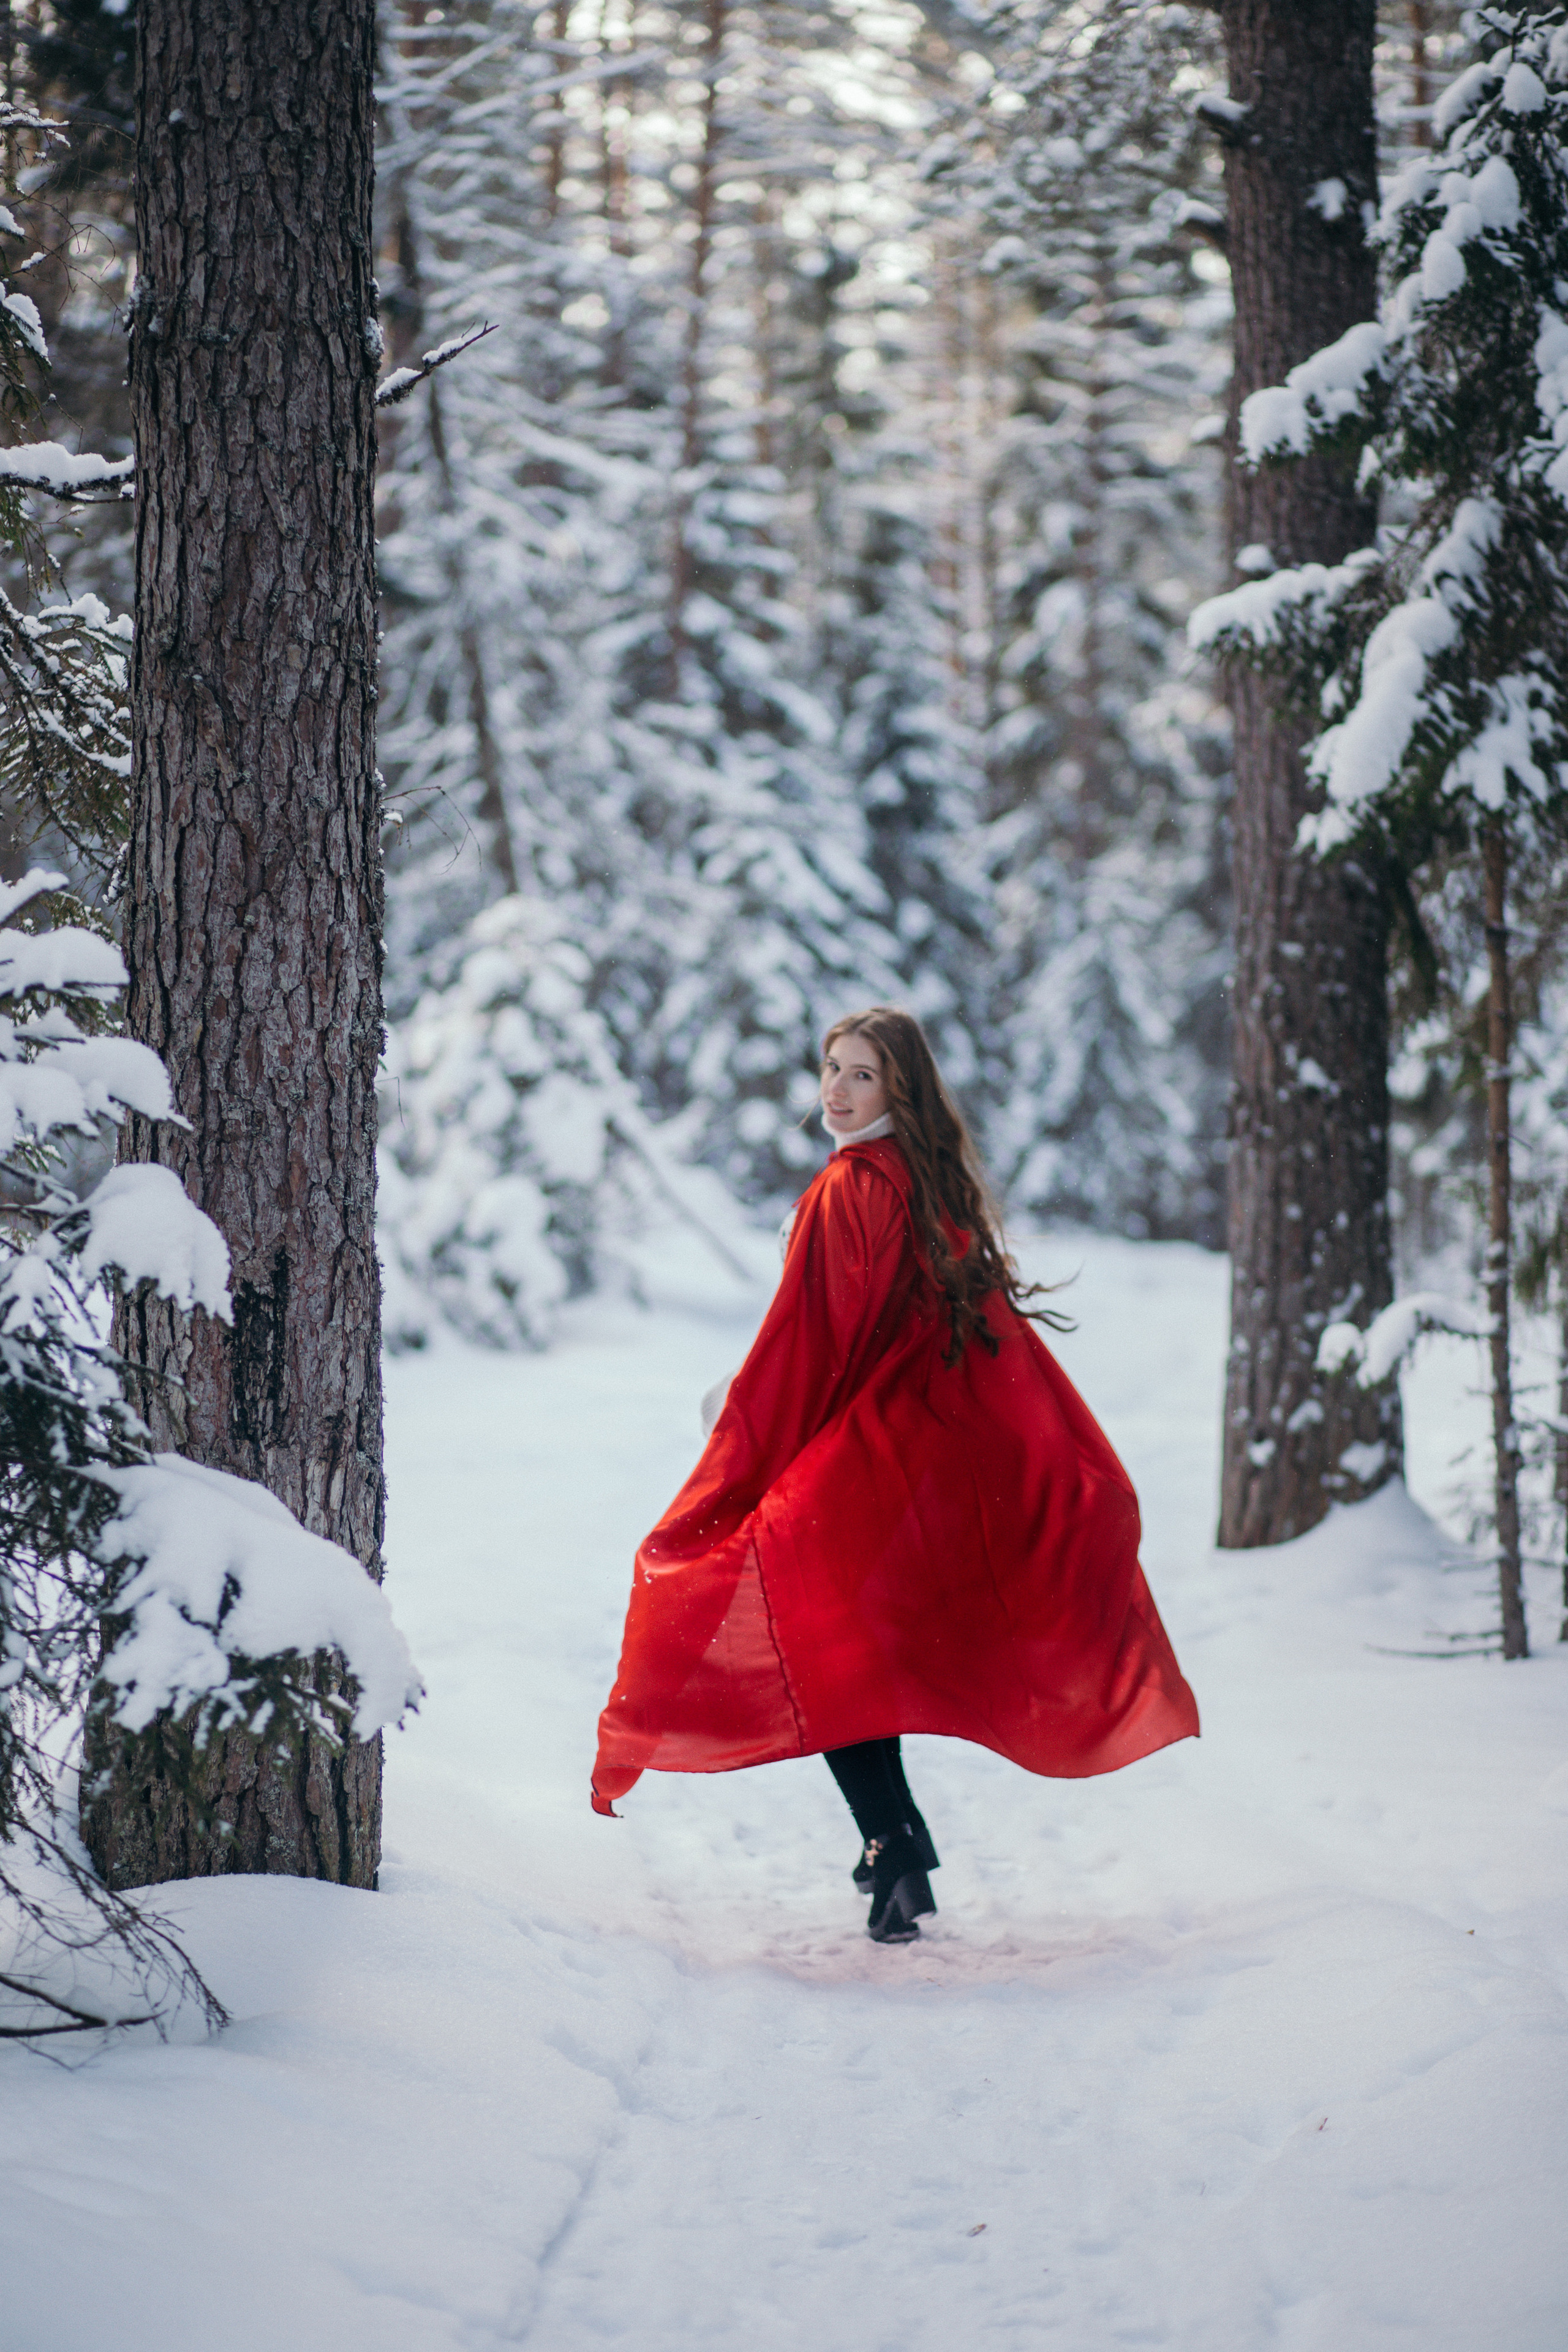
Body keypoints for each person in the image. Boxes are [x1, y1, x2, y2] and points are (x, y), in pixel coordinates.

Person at [592, 1006, 1199, 1943]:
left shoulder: (849, 1189)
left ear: (899, 1090)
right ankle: (894, 1848)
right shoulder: (925, 1183)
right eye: (830, 1069)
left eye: (861, 1076)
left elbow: (816, 1339)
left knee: (819, 1630)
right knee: (849, 1643)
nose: (835, 1091)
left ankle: (893, 1840)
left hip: (876, 1446)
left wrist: (742, 1420)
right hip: (926, 1453)